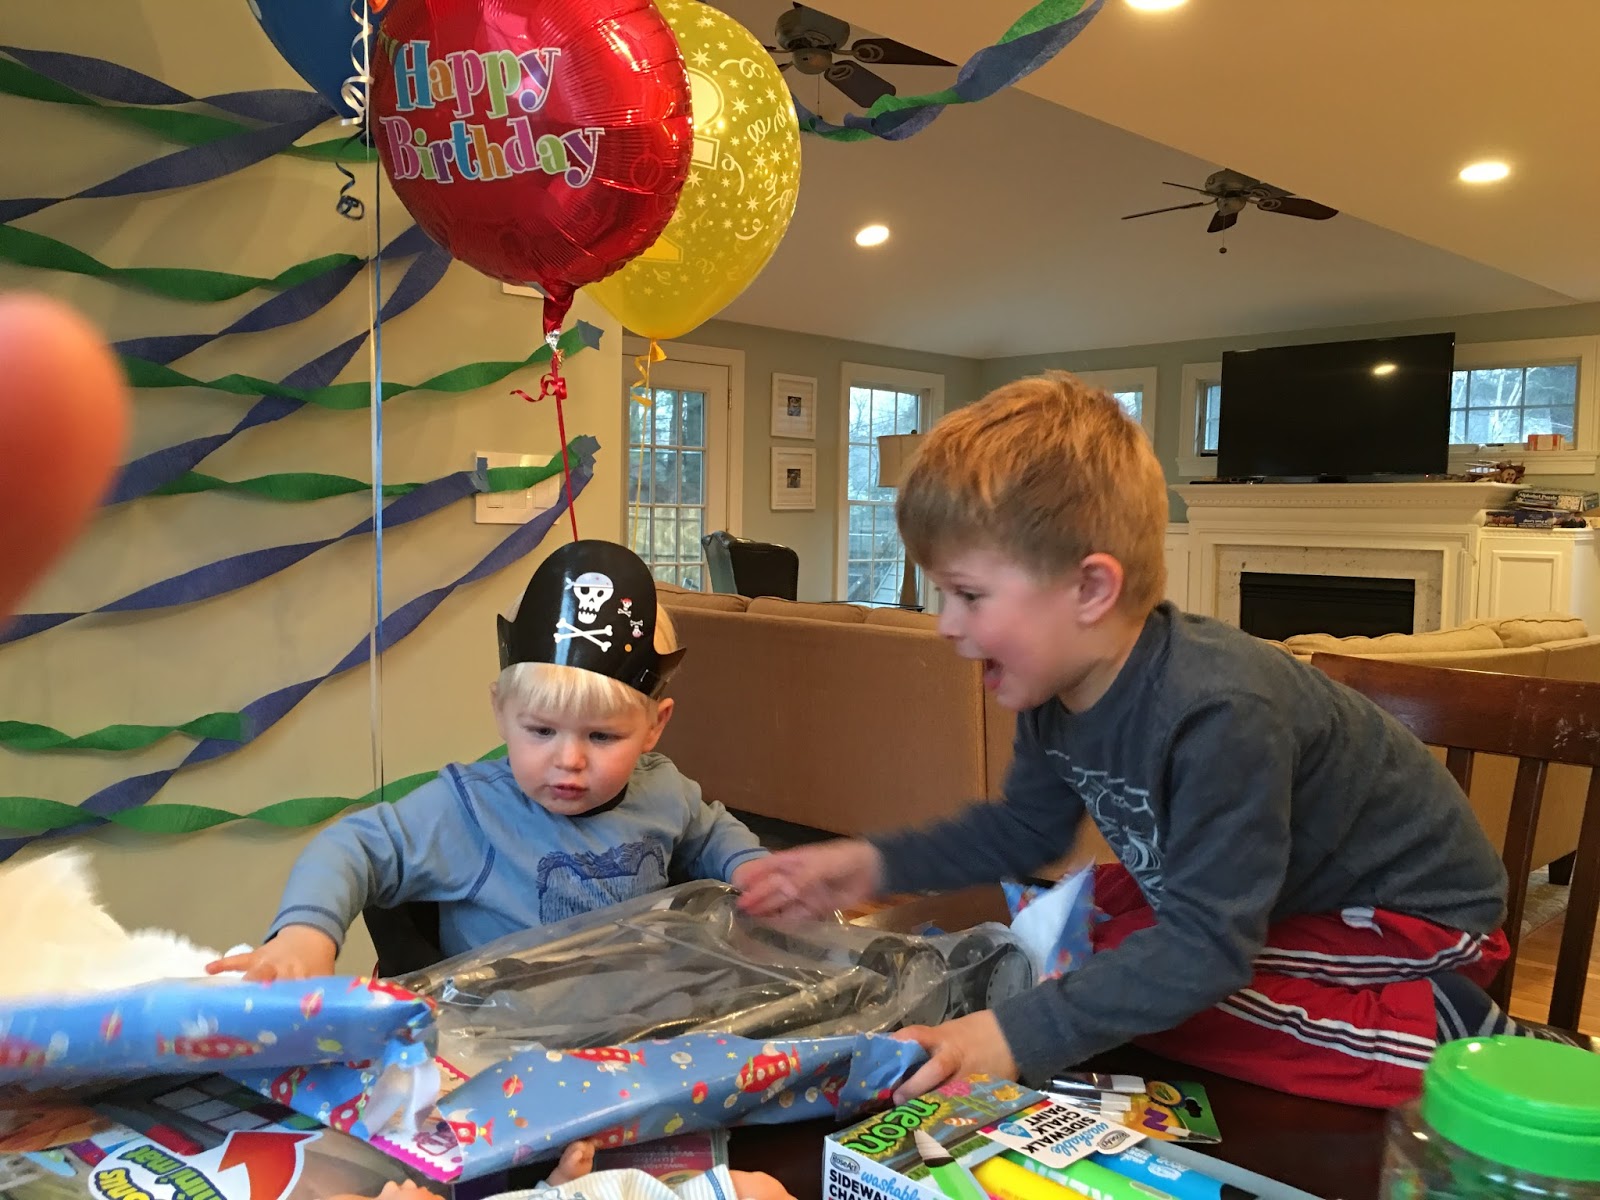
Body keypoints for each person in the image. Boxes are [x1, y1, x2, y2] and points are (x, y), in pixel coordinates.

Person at [737, 372, 1542, 1110]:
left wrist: (1011, 1036)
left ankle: (1445, 1035)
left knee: (1158, 989)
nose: (947, 625)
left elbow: (1207, 948)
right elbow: (1024, 833)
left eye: (969, 595)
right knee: (1087, 925)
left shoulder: (1218, 709)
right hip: (1278, 895)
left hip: (1409, 923)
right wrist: (871, 866)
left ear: (1090, 588)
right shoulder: (1056, 691)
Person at [210, 540, 769, 981]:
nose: (569, 759)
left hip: (643, 1035)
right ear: (501, 713)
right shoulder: (469, 812)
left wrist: (751, 869)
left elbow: (709, 832)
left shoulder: (664, 790)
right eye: (541, 731)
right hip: (498, 1055)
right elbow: (351, 847)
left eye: (601, 736)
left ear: (655, 726)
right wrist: (306, 934)